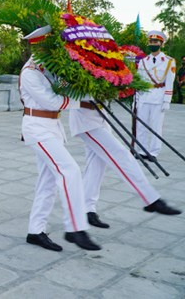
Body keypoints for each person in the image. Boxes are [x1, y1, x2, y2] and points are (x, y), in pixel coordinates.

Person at [20, 56, 100, 251]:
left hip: (52, 128)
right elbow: (51, 101)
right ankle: (75, 228)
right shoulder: (31, 72)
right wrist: (81, 102)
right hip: (37, 128)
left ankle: (35, 231)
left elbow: (64, 87)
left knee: (47, 181)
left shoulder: (50, 67)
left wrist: (90, 90)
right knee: (69, 171)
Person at [70, 100, 181, 229]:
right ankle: (151, 199)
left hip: (100, 116)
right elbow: (64, 88)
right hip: (85, 120)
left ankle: (86, 209)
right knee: (122, 156)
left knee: (95, 165)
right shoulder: (63, 79)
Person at [135, 30, 175, 161]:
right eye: (151, 41)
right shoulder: (143, 61)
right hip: (144, 97)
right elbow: (139, 81)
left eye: (156, 42)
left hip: (158, 97)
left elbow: (169, 82)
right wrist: (136, 98)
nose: (153, 44)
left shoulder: (169, 61)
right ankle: (141, 150)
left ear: (161, 43)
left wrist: (167, 101)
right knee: (141, 125)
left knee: (155, 127)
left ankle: (153, 152)